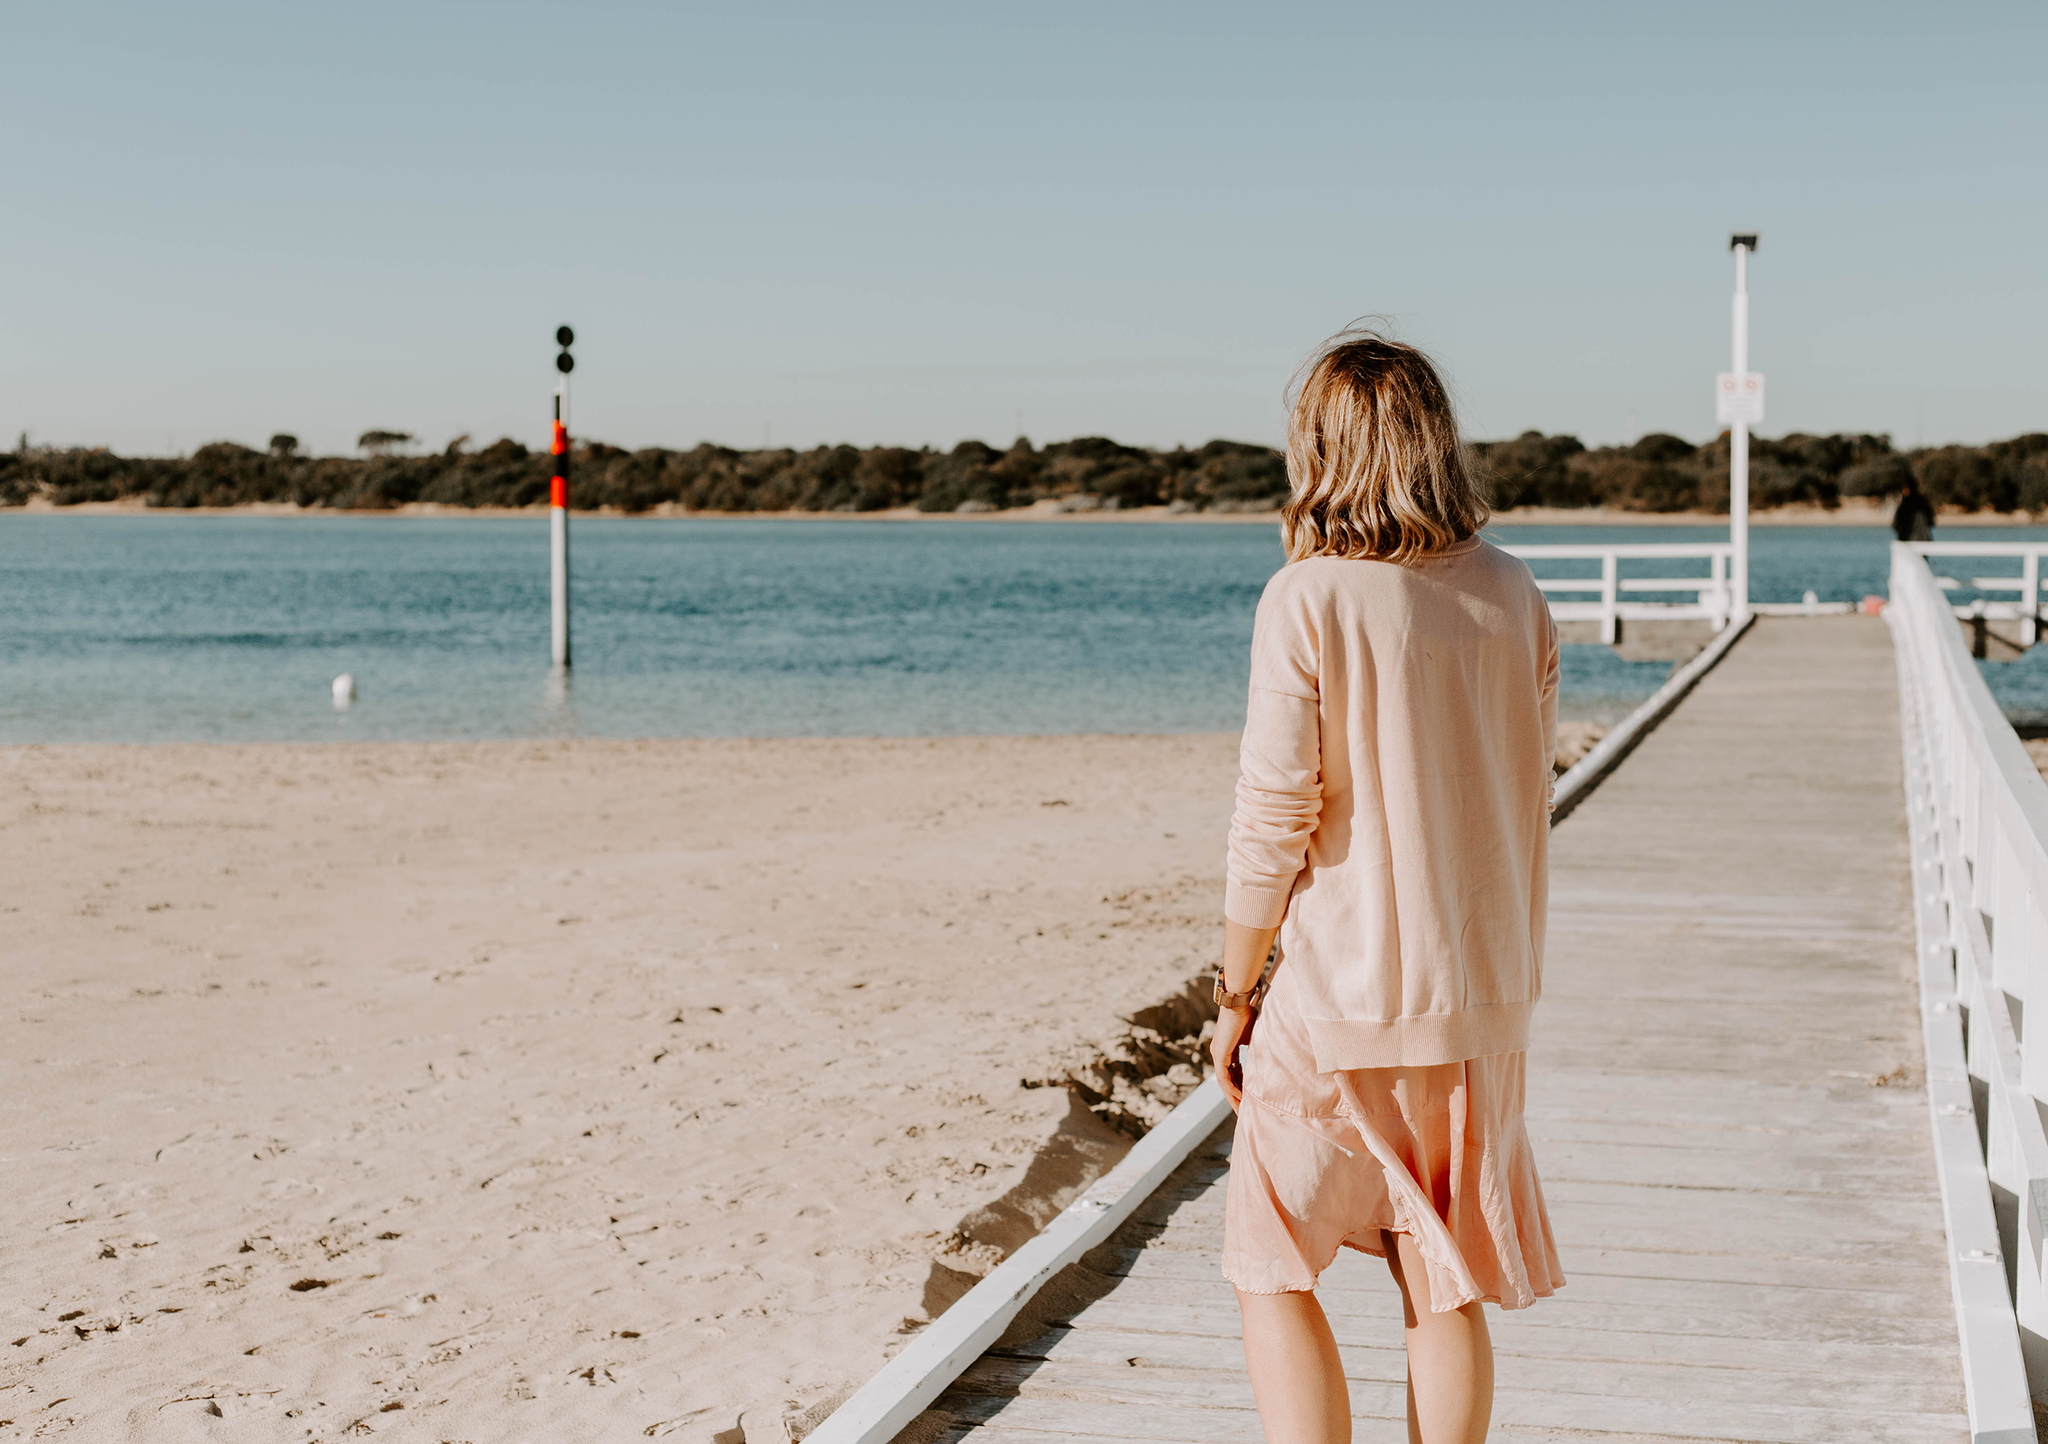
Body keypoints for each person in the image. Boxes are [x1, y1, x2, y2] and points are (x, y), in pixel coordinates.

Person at [1211, 329, 1563, 1444]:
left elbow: (1275, 817)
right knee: (1441, 1270)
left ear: (1317, 448)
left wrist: (1230, 992)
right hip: (1481, 994)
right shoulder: (1513, 592)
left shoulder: (1306, 596)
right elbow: (1520, 789)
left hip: (1341, 990)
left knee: (1269, 1259)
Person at [1892, 477, 1935, 543]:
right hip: (1923, 541)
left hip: (1907, 542)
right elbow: (1931, 522)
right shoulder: (1924, 504)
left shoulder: (1904, 505)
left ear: (1907, 489)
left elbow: (1895, 525)